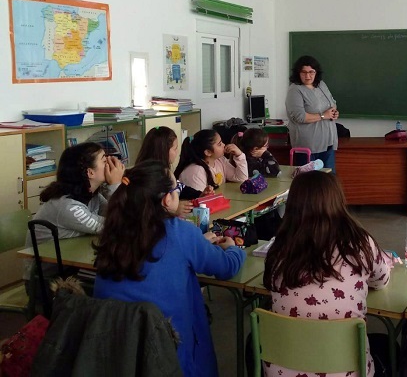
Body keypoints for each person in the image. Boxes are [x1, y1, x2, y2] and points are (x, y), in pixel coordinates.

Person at [93, 160, 246, 377]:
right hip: (171, 350)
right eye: (177, 189)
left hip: (117, 350)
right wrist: (234, 249)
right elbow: (225, 268)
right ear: (167, 199)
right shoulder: (178, 232)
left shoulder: (112, 232)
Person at [262, 171, 391, 377]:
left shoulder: (279, 247)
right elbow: (381, 280)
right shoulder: (360, 242)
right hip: (345, 370)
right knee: (389, 346)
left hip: (283, 369)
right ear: (337, 200)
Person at [23, 142, 125, 284]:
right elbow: (115, 226)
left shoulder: (91, 195)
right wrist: (115, 185)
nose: (110, 163)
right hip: (46, 282)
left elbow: (117, 215)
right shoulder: (67, 206)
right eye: (104, 160)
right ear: (90, 172)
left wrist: (113, 188)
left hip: (70, 272)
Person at [135, 126, 214, 208]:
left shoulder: (163, 171)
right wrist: (174, 209)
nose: (177, 152)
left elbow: (181, 188)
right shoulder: (148, 178)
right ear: (164, 151)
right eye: (175, 148)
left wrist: (200, 195)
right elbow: (150, 208)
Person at [285, 55, 339, 172]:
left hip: (328, 142)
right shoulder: (295, 90)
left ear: (316, 72)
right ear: (298, 73)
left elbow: (332, 102)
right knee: (310, 183)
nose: (308, 76)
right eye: (303, 72)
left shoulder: (321, 85)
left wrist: (333, 112)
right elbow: (299, 116)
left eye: (311, 72)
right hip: (308, 146)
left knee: (328, 180)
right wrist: (323, 116)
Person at [175, 129, 247, 192]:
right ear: (208, 152)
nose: (224, 145)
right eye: (219, 144)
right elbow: (199, 201)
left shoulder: (220, 160)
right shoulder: (196, 171)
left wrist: (239, 155)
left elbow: (241, 178)